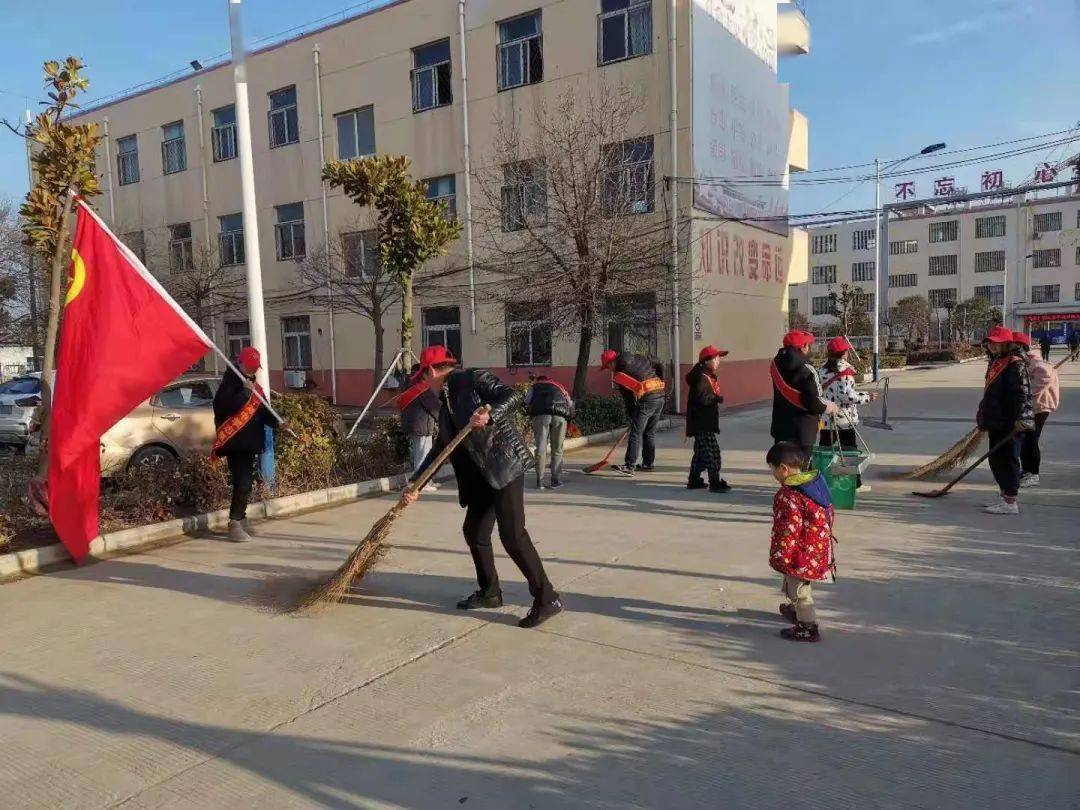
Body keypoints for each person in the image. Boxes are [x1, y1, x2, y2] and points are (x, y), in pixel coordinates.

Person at [401, 345, 563, 629]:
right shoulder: (447, 403)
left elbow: (512, 396)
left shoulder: (472, 379)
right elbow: (441, 448)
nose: (424, 384)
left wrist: (490, 415)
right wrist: (416, 482)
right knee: (474, 531)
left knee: (513, 536)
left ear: (431, 371)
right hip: (481, 479)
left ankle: (547, 597)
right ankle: (490, 592)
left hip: (504, 466)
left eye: (423, 378)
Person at [766, 442, 835, 643]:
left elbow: (789, 530)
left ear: (784, 469)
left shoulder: (790, 495)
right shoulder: (814, 485)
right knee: (794, 583)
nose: (773, 475)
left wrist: (781, 555)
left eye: (773, 469)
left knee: (800, 590)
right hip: (816, 548)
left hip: (799, 553)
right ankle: (796, 609)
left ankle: (807, 626)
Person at [212, 347, 282, 542]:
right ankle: (234, 523)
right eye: (249, 366)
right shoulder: (230, 382)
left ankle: (241, 519)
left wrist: (278, 422)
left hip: (250, 442)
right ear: (240, 363)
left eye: (254, 368)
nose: (252, 371)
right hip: (235, 443)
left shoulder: (252, 385)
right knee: (242, 482)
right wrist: (244, 391)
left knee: (246, 484)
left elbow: (263, 409)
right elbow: (223, 406)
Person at [976, 325, 1034, 515]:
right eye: (991, 342)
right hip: (997, 420)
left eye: (997, 343)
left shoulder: (1015, 363)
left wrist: (1021, 418)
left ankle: (1010, 502)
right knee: (996, 460)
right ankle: (1004, 498)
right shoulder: (998, 361)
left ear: (1007, 344)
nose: (992, 346)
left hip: (1011, 422)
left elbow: (1022, 394)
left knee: (1008, 460)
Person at [817, 336, 877, 490]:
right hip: (844, 420)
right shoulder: (845, 371)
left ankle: (817, 483)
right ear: (844, 353)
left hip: (826, 419)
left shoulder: (821, 369)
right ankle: (855, 484)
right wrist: (867, 397)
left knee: (824, 453)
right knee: (850, 453)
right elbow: (848, 396)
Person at [769, 330, 838, 464]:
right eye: (808, 345)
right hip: (803, 429)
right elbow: (813, 402)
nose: (809, 348)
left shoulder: (775, 365)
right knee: (802, 468)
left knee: (784, 466)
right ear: (802, 347)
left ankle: (787, 486)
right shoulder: (807, 369)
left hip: (780, 425)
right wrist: (829, 407)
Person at [600, 349, 666, 476]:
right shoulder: (637, 357)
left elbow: (629, 399)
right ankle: (647, 463)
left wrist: (632, 416)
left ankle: (629, 465)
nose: (609, 369)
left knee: (635, 433)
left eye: (607, 366)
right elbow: (656, 363)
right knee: (649, 433)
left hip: (648, 399)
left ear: (612, 363)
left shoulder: (620, 375)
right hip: (660, 394)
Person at [1014, 332, 1060, 489]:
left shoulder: (1039, 365)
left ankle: (1033, 474)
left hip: (1039, 408)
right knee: (1025, 440)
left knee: (1030, 440)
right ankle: (1027, 470)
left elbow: (1033, 388)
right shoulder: (1027, 362)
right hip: (1030, 407)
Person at [685, 344, 731, 493]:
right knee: (712, 452)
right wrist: (717, 398)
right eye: (716, 358)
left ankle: (694, 479)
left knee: (700, 453)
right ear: (706, 361)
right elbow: (703, 399)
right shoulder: (702, 377)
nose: (718, 361)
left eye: (719, 358)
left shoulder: (705, 374)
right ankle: (715, 481)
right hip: (702, 422)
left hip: (703, 421)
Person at [524, 374, 574, 490]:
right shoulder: (558, 385)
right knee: (557, 448)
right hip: (560, 416)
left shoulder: (534, 386)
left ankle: (539, 481)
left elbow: (526, 402)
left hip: (541, 416)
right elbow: (570, 403)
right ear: (548, 380)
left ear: (538, 380)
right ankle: (555, 480)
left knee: (541, 448)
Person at [397, 364, 441, 492]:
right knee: (423, 454)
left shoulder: (410, 383)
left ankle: (427, 481)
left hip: (418, 425)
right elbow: (434, 407)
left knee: (421, 453)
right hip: (421, 425)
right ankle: (422, 483)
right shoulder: (421, 386)